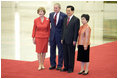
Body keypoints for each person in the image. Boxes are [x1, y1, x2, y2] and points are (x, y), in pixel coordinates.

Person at [61, 5, 80, 73]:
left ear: (72, 11)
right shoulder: (65, 18)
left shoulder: (76, 20)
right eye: (66, 10)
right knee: (65, 54)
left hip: (72, 40)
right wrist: (62, 38)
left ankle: (70, 68)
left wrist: (75, 40)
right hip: (65, 40)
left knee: (71, 55)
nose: (67, 12)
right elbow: (63, 29)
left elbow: (76, 31)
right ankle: (65, 67)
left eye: (69, 11)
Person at [49, 3, 66, 70]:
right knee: (52, 50)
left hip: (60, 36)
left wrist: (63, 37)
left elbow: (64, 27)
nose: (55, 9)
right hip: (52, 36)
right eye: (54, 8)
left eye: (56, 8)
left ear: (59, 8)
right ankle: (52, 64)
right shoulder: (51, 14)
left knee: (60, 51)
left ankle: (59, 65)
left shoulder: (64, 15)